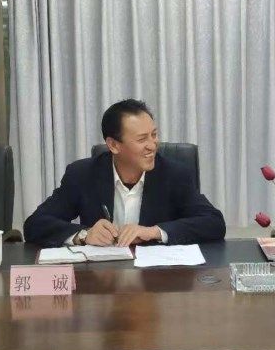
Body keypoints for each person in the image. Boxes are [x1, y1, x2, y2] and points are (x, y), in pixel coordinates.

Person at [24, 99, 226, 247]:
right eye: (142, 139)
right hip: (101, 280)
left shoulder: (174, 174)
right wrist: (84, 235)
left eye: (154, 135)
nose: (152, 145)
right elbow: (35, 224)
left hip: (157, 280)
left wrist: (153, 232)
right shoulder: (83, 174)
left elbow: (214, 223)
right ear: (113, 145)